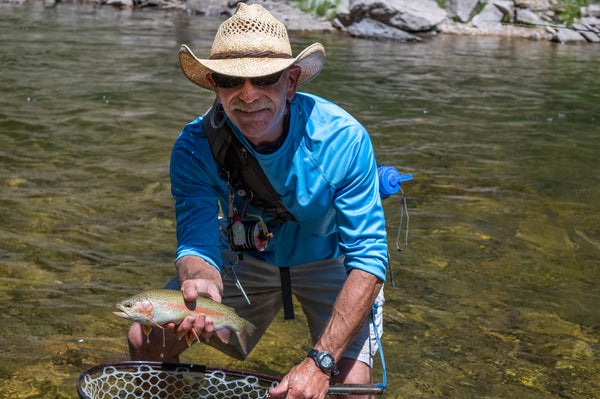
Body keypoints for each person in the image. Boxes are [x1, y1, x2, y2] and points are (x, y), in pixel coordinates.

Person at [127, 4, 388, 398]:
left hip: (329, 257)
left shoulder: (342, 140)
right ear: (215, 85)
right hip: (245, 259)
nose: (248, 94)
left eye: (265, 77)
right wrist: (200, 281)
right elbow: (197, 244)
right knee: (145, 339)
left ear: (291, 80)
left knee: (350, 384)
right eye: (232, 80)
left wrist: (320, 362)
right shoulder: (194, 148)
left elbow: (368, 259)